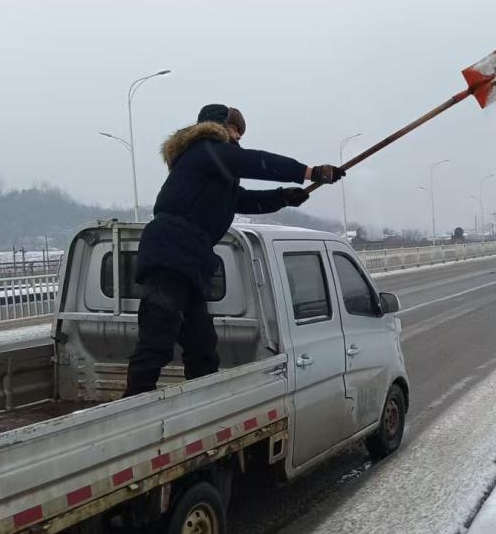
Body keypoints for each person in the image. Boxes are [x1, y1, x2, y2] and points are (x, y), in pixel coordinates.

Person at [123, 104, 343, 396]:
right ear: (218, 126)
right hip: (170, 254)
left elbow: (242, 200)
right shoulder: (205, 150)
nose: (239, 137)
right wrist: (309, 172)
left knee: (202, 345)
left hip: (190, 261)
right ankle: (133, 403)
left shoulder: (212, 171)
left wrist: (282, 197)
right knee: (157, 338)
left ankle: (204, 401)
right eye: (236, 130)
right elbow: (255, 162)